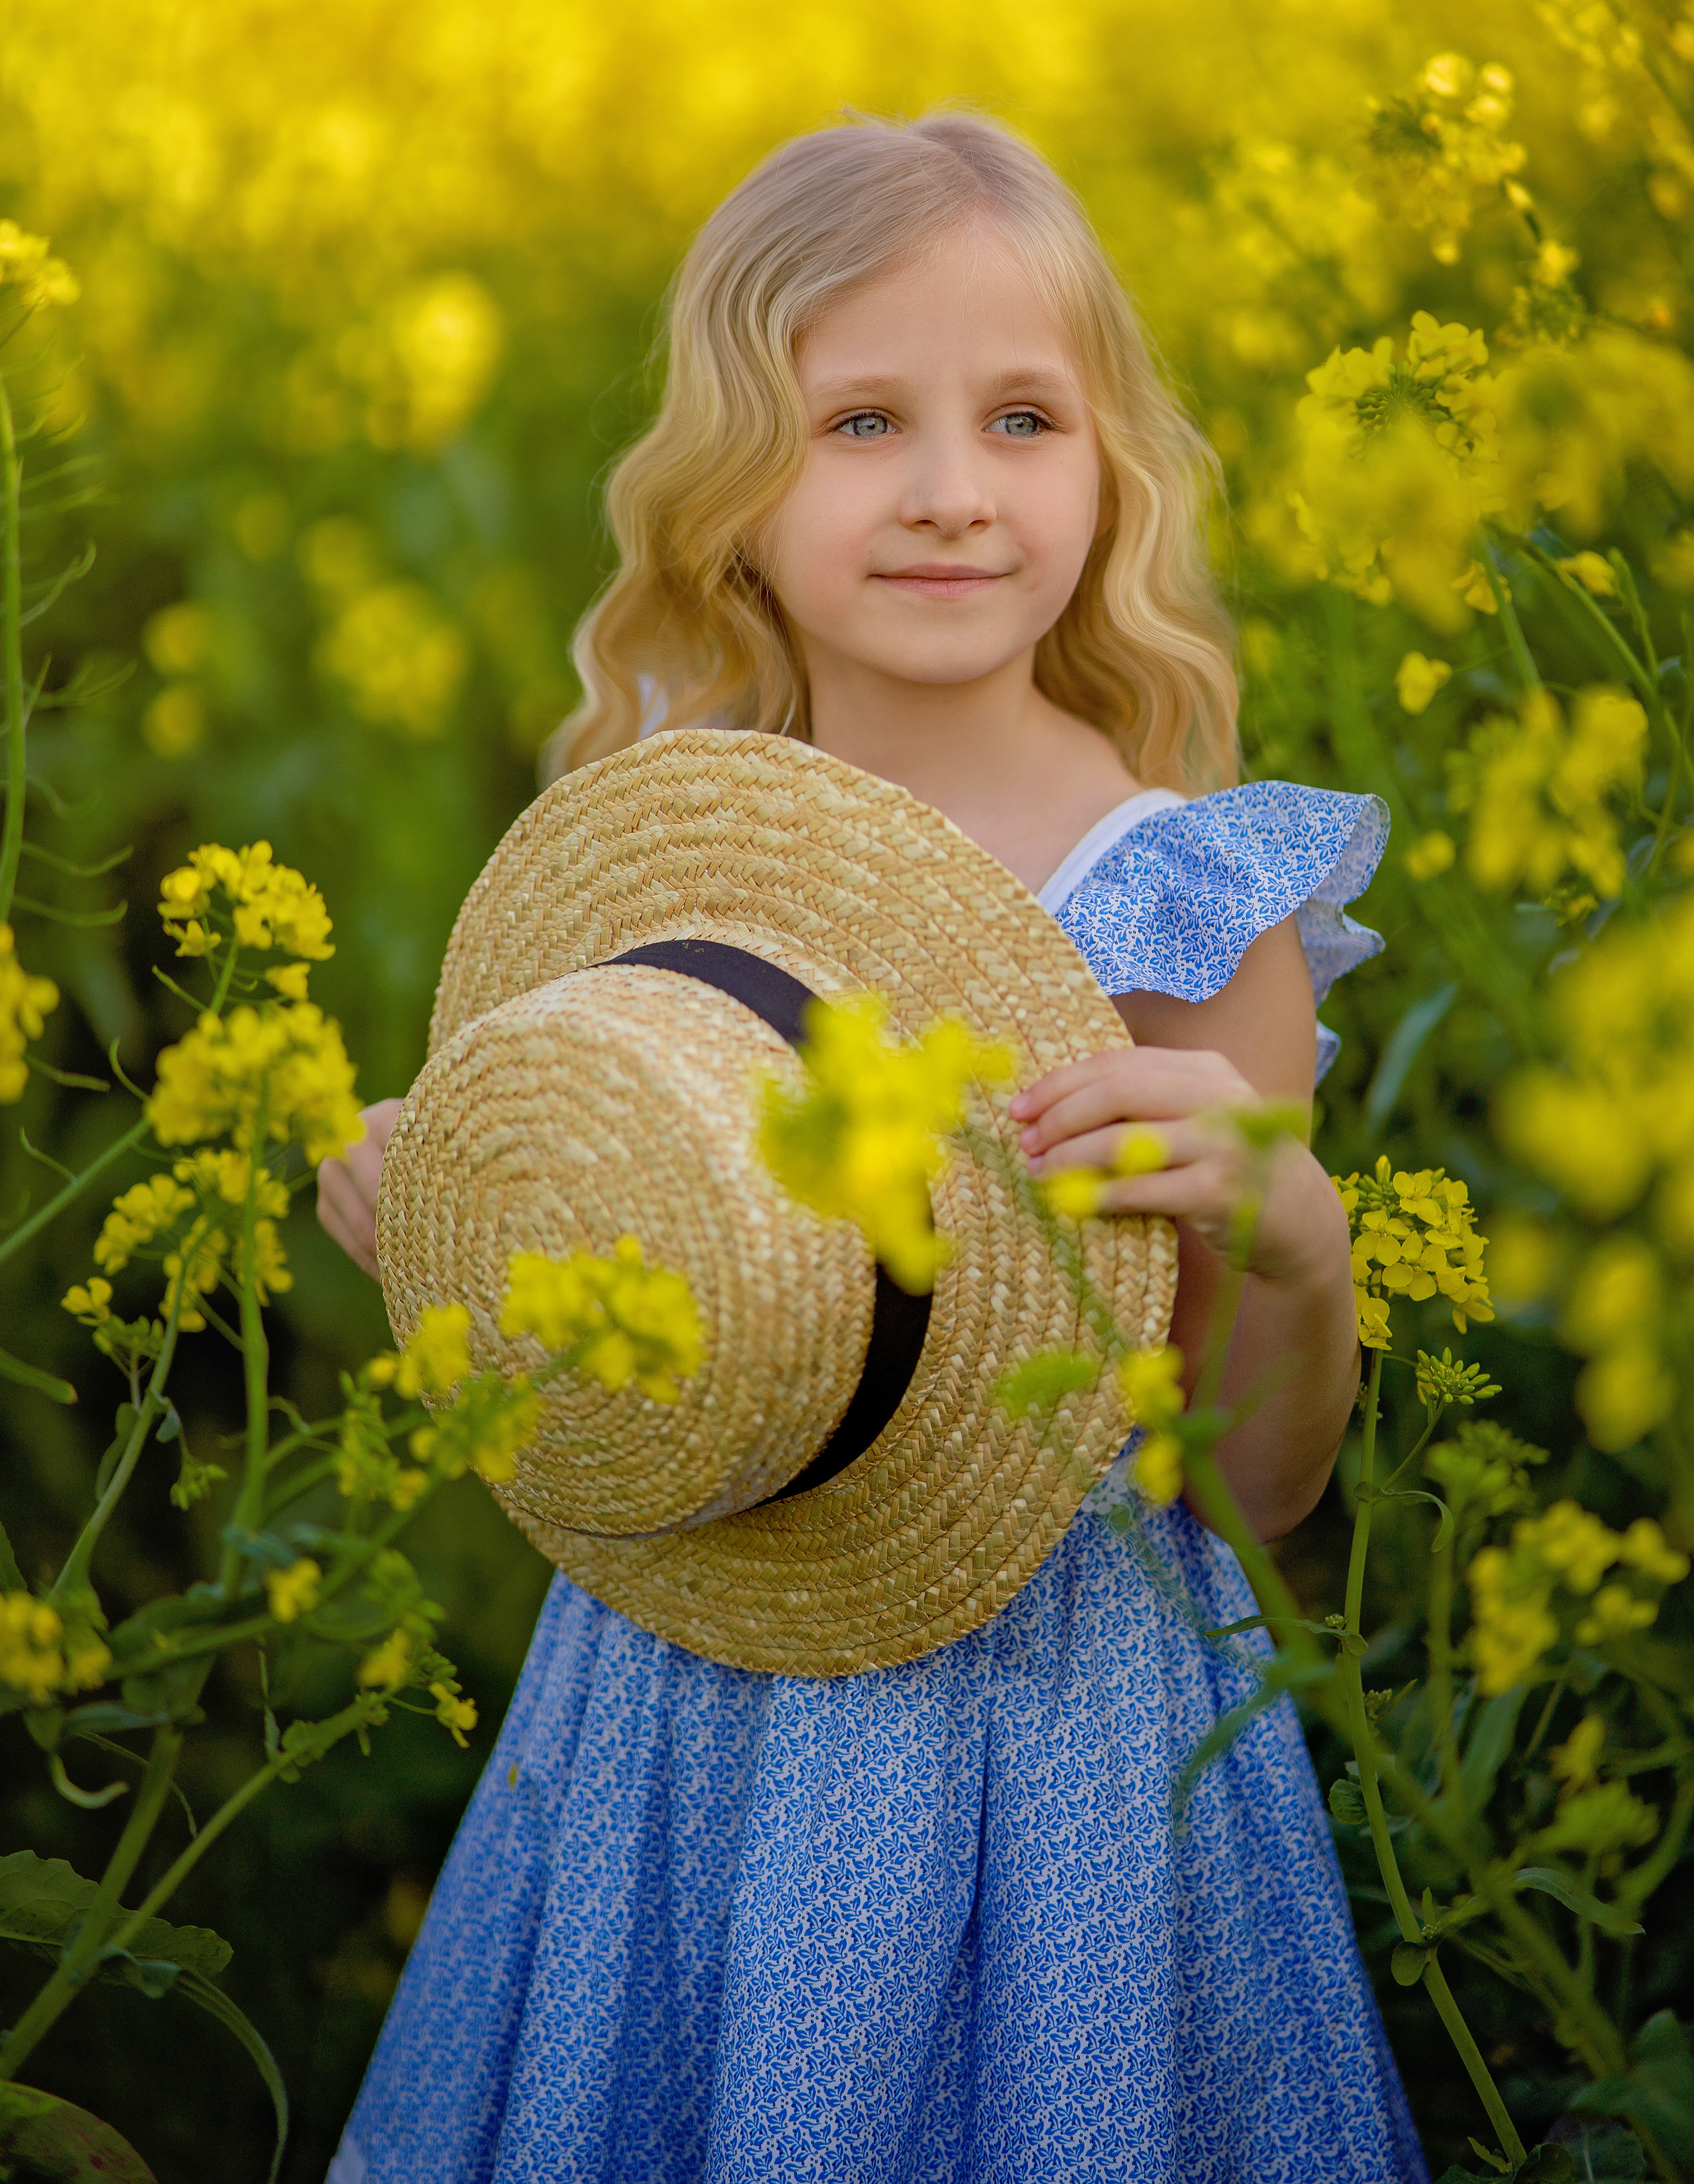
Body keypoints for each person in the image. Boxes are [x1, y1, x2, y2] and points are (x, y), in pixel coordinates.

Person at [318, 113, 1424, 2182]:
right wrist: (437, 1202)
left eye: (1023, 419)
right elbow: (608, 1378)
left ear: (1113, 475)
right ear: (733, 496)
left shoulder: (1178, 899)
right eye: (857, 423)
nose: (949, 495)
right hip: (689, 1688)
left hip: (1067, 1744)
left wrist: (1299, 1242)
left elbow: (1259, 1486)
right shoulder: (674, 845)